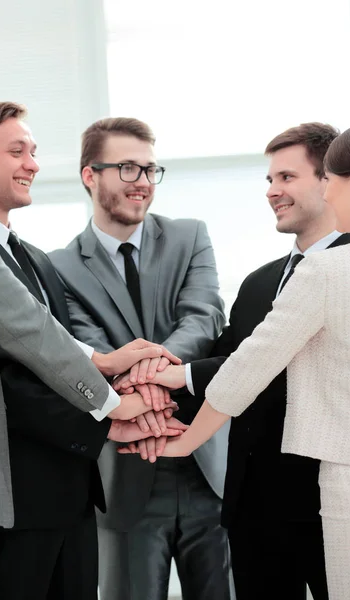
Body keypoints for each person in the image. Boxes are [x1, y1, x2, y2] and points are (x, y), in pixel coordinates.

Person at [0, 34, 178, 600]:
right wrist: (112, 406)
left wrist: (103, 363)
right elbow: (17, 330)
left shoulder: (32, 256)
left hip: (50, 492)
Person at [119, 122, 350, 600]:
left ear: (328, 180)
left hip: (330, 506)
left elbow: (274, 369)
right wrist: (152, 403)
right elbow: (228, 360)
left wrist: (169, 375)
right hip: (254, 509)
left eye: (286, 178)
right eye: (269, 180)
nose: (272, 192)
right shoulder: (257, 282)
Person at [49, 117, 232, 600]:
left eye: (152, 170)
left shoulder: (191, 236)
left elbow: (203, 317)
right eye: (129, 169)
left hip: (204, 461)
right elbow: (87, 347)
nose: (145, 183)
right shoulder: (58, 268)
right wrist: (147, 378)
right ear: (91, 175)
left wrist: (154, 373)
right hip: (122, 472)